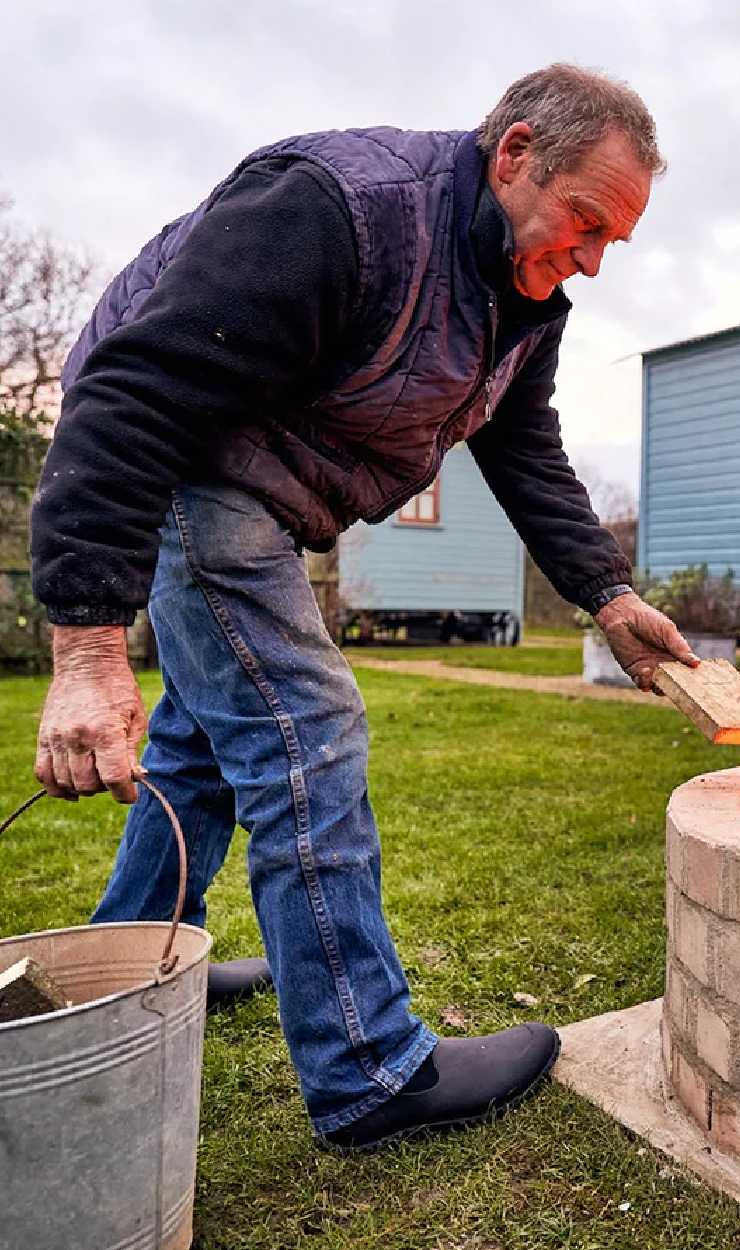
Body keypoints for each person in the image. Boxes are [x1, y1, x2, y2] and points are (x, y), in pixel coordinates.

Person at [29, 64, 697, 1151]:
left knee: (204, 746)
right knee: (309, 726)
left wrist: (606, 592)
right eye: (583, 222)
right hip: (190, 468)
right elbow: (130, 395)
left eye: (609, 243)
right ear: (514, 152)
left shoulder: (525, 301)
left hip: (264, 493)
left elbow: (522, 449)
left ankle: (129, 971)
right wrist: (90, 649)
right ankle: (369, 1069)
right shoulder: (336, 209)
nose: (588, 259)